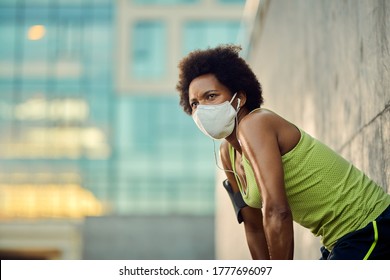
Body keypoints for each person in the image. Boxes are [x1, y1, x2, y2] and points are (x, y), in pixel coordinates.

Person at [175, 44, 390, 260]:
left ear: (239, 97)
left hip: (369, 226)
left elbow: (277, 211)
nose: (201, 109)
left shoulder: (255, 125)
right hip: (339, 240)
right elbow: (253, 227)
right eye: (194, 103)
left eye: (211, 96)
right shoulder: (227, 155)